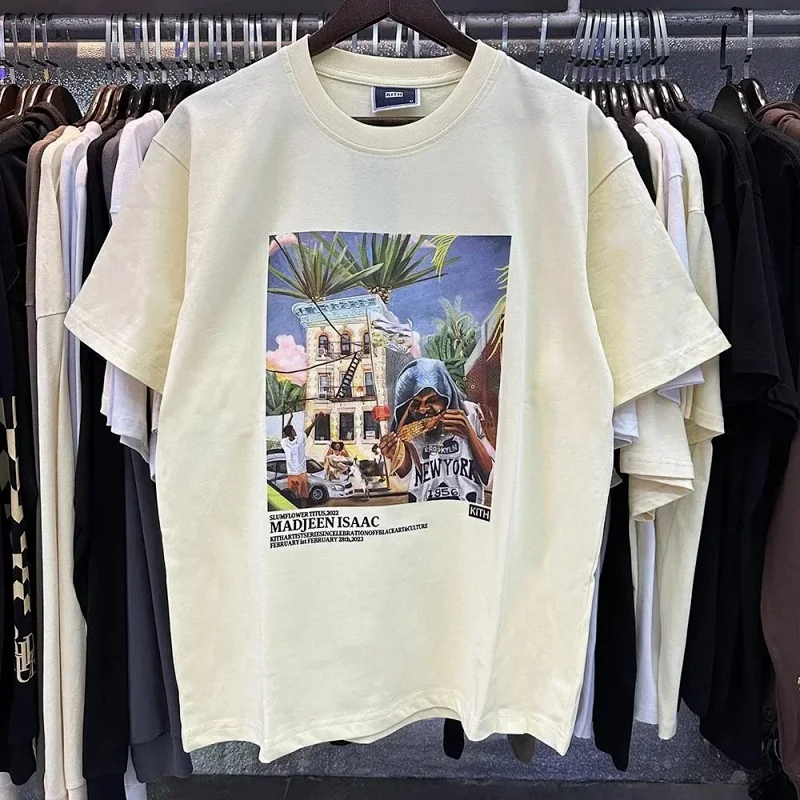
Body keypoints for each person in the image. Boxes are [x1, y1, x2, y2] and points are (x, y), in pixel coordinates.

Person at [378, 358, 495, 504]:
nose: (422, 409)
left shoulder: (471, 414)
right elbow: (407, 476)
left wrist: (469, 434)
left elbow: (491, 478)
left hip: (465, 509)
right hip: (425, 510)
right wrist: (394, 454)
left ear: (447, 397)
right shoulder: (408, 427)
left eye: (432, 400)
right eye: (415, 403)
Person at [281, 413, 322, 508]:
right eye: (293, 430)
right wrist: (315, 421)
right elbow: (308, 430)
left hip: (291, 474)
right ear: (292, 432)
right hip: (301, 473)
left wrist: (290, 419)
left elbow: (286, 431)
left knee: (293, 497)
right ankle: (303, 508)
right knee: (303, 497)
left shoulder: (284, 443)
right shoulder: (300, 440)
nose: (295, 431)